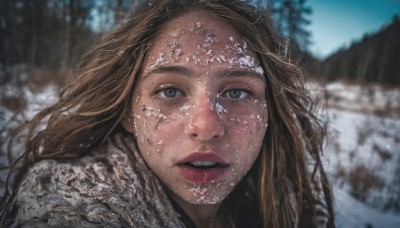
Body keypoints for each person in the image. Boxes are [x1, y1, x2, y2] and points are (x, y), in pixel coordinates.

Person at [0, 0, 334, 227]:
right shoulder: (67, 208)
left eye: (237, 92)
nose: (205, 127)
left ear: (269, 113)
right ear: (129, 112)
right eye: (170, 91)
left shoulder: (292, 209)